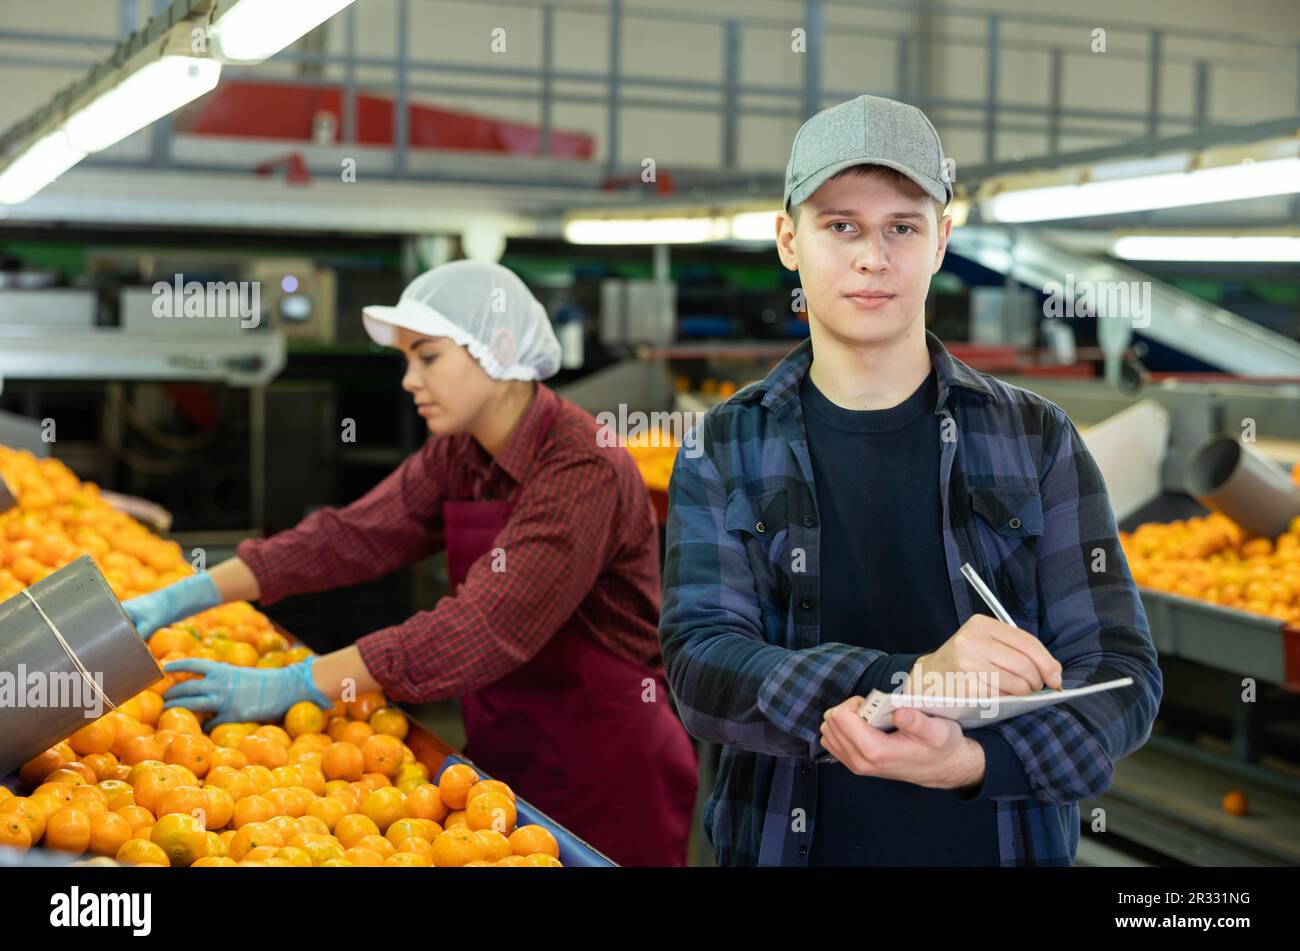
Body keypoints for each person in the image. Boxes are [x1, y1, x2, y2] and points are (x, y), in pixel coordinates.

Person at [659, 94, 1163, 866]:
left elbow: (1122, 673)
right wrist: (906, 679)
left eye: (903, 225)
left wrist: (978, 763)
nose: (873, 256)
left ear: (942, 241)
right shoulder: (725, 445)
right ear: (788, 240)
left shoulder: (1037, 438)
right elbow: (700, 668)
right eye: (841, 226)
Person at [127, 259, 698, 866]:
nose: (408, 380)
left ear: (498, 349)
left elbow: (481, 626)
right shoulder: (461, 453)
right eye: (406, 359)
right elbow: (350, 536)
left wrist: (298, 683)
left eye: (427, 357)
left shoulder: (581, 467)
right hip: (505, 745)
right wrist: (191, 592)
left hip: (605, 761)